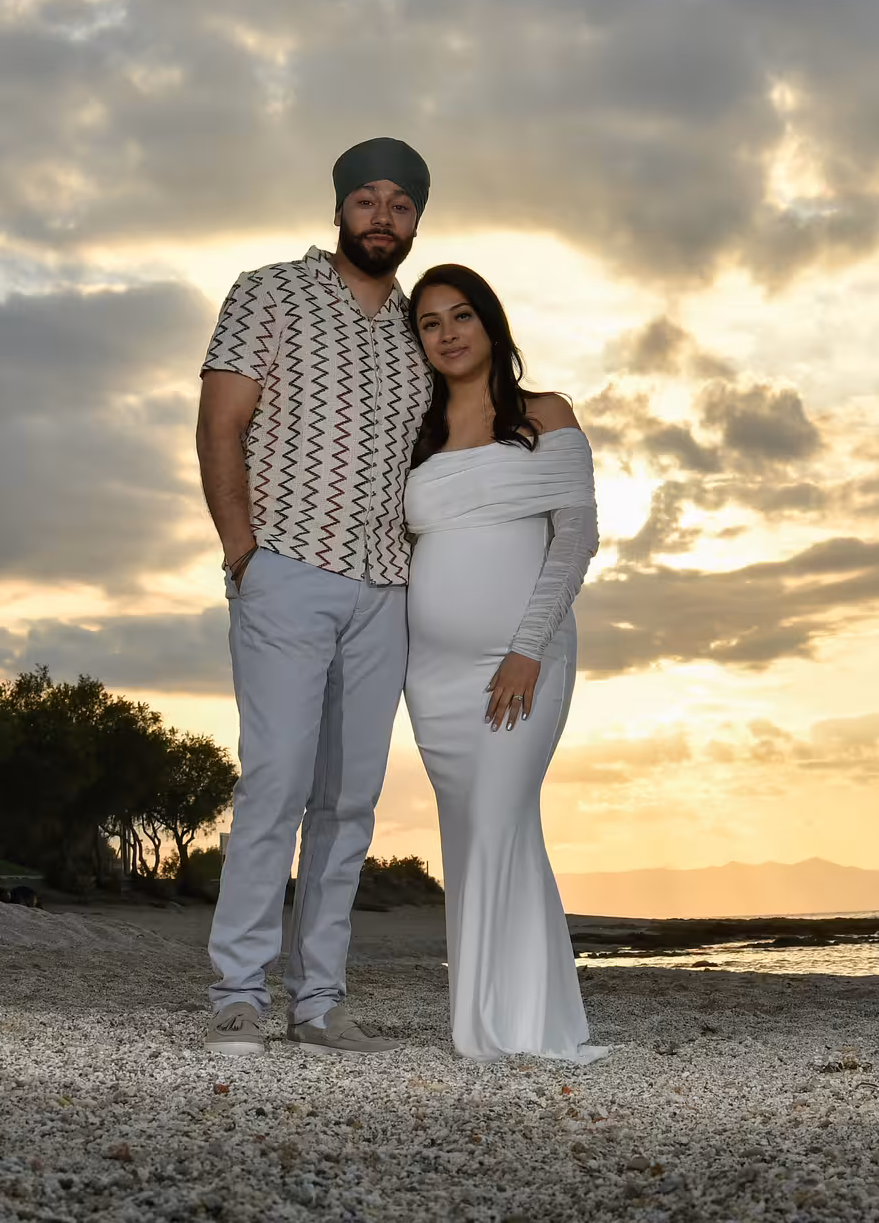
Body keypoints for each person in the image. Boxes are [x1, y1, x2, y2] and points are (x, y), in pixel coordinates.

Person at [195, 138, 433, 1056]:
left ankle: (319, 1002)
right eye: (368, 200)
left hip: (386, 586)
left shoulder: (417, 326)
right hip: (288, 565)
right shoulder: (270, 290)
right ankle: (238, 992)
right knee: (278, 782)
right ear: (340, 207)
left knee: (350, 801)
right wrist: (243, 553)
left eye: (401, 205)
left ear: (416, 220)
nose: (383, 216)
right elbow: (221, 423)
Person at [402, 263, 608, 1063]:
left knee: (495, 820)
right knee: (482, 833)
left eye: (461, 316)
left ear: (491, 325)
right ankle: (524, 1018)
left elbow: (576, 537)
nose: (447, 334)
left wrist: (527, 648)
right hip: (435, 677)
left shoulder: (543, 415)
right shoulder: (415, 434)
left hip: (524, 658)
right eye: (429, 323)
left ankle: (494, 1030)